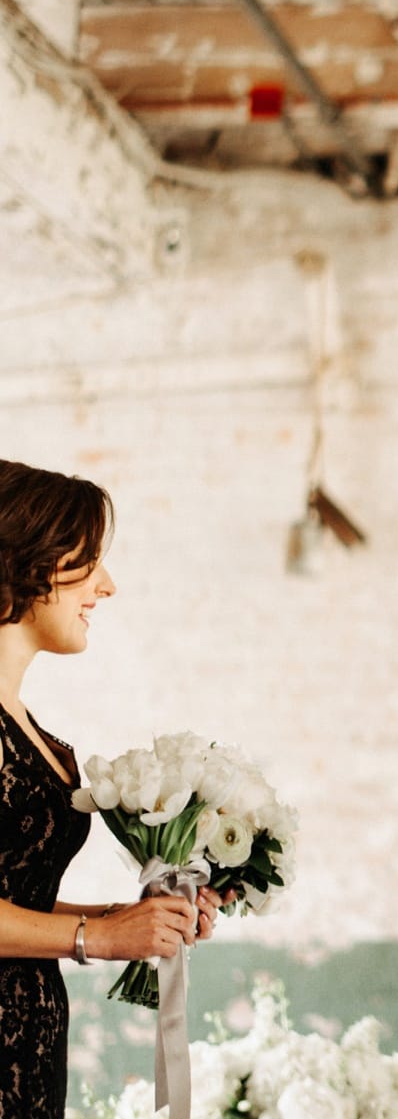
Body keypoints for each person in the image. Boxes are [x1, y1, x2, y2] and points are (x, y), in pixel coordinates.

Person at [0, 459, 225, 1115]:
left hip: (27, 1043)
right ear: (28, 558)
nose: (107, 585)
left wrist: (136, 921)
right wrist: (95, 939)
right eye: (90, 560)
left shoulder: (25, 724)